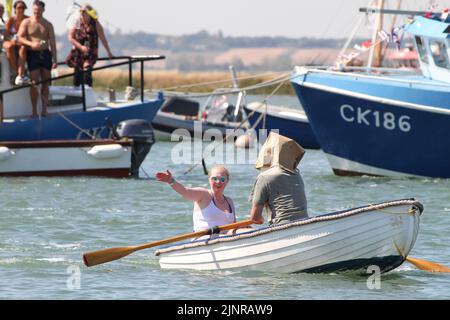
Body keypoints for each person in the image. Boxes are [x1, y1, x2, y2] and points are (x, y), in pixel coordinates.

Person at [249, 132, 308, 226]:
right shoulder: (297, 175)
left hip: (281, 225)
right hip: (305, 223)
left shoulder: (264, 177)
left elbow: (255, 217)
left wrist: (259, 219)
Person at [155, 165, 236, 233]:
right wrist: (171, 181)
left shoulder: (229, 201)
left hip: (225, 240)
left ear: (227, 181)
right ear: (209, 180)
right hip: (204, 242)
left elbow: (234, 225)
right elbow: (184, 191)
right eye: (214, 179)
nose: (218, 182)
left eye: (222, 179)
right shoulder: (203, 194)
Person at [17, 0, 57, 117]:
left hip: (45, 54)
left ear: (43, 10)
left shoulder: (48, 24)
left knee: (46, 81)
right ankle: (34, 111)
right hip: (32, 54)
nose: (36, 12)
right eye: (34, 10)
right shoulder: (27, 22)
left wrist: (54, 59)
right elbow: (19, 38)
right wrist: (31, 43)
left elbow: (52, 43)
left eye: (39, 10)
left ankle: (44, 110)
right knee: (34, 82)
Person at [65, 3, 113, 87]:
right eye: (80, 11)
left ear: (89, 13)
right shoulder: (77, 22)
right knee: (77, 77)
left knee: (87, 71)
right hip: (78, 53)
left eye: (84, 11)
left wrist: (109, 52)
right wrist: (80, 47)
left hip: (90, 53)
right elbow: (70, 37)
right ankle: (77, 95)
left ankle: (88, 90)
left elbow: (103, 39)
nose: (82, 13)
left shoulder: (96, 24)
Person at [3, 1, 29, 85]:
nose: (21, 10)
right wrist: (12, 41)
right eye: (19, 8)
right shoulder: (11, 20)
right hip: (11, 41)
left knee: (23, 48)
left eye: (23, 8)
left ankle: (19, 75)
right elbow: (6, 35)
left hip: (22, 42)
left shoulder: (27, 19)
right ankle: (16, 73)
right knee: (9, 47)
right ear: (15, 9)